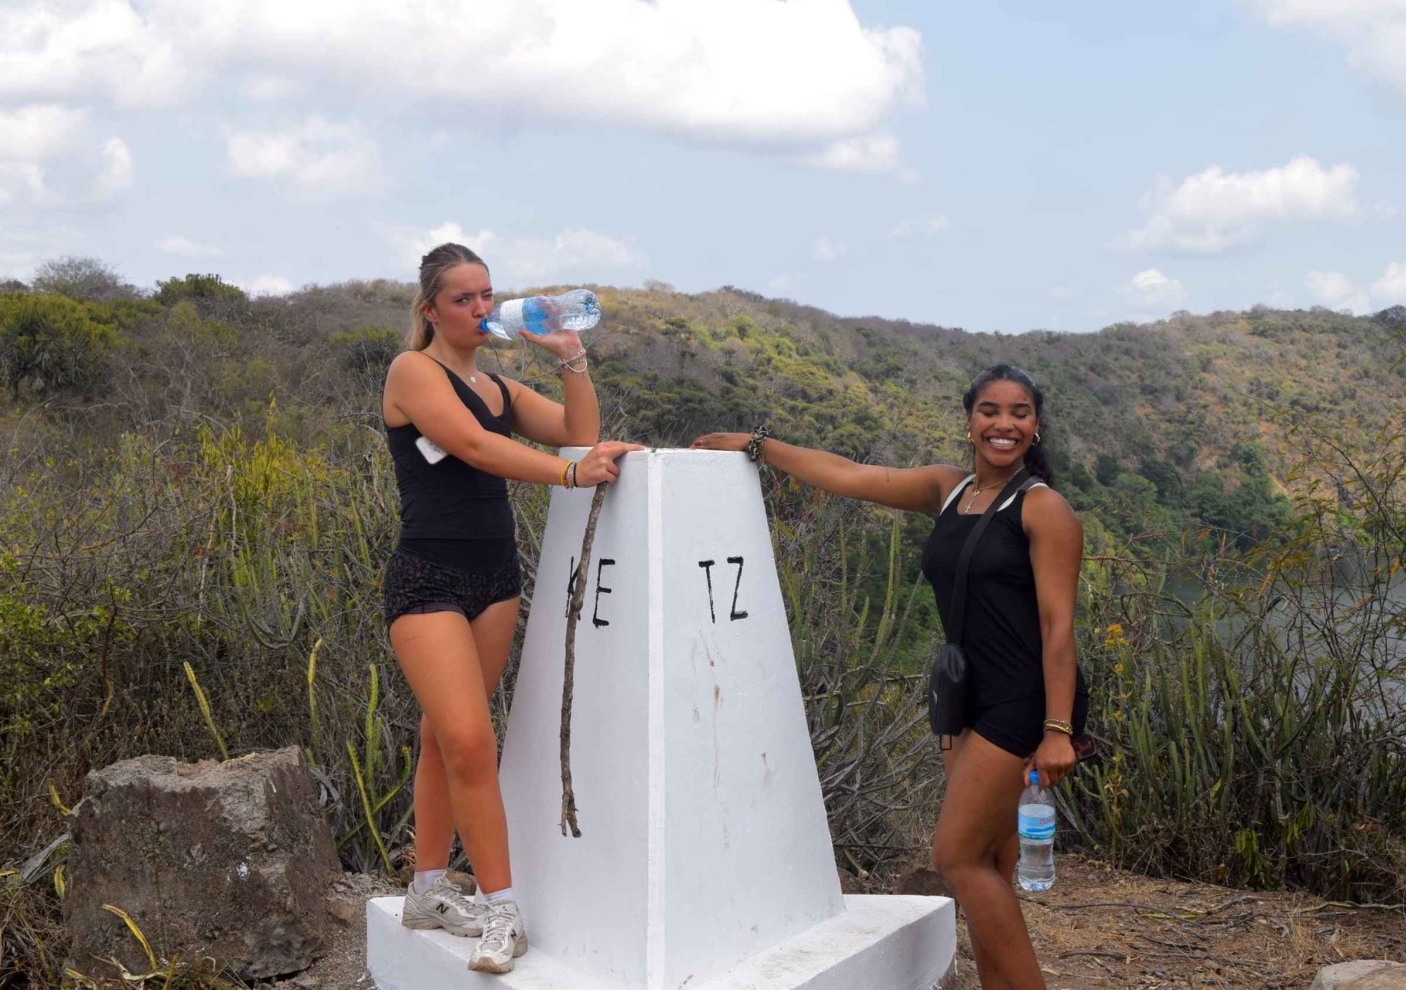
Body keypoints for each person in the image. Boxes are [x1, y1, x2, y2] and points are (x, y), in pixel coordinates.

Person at [692, 364, 1088, 990]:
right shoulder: (948, 489)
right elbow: (849, 475)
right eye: (989, 410)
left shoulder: (1043, 508)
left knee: (956, 857)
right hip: (966, 694)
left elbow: (1057, 626)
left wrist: (1058, 729)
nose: (1004, 424)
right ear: (969, 420)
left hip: (1022, 700)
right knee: (988, 863)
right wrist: (759, 446)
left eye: (1020, 413)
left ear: (1036, 427)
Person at [382, 243, 640, 975]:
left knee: (444, 739)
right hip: (426, 578)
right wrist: (569, 476)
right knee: (471, 742)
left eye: (486, 295)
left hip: (494, 578)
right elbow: (472, 446)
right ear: (431, 309)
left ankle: (428, 889)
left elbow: (577, 432)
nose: (480, 309)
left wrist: (569, 355)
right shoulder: (412, 371)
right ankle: (502, 910)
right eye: (463, 299)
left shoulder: (497, 386)